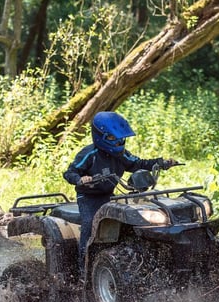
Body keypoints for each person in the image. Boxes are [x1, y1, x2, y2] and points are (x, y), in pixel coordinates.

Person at [63, 111, 178, 278]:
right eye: (112, 139)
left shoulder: (121, 154)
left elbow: (138, 163)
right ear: (100, 136)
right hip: (88, 198)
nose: (118, 142)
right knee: (89, 225)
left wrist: (161, 163)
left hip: (110, 196)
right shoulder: (89, 154)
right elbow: (69, 173)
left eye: (120, 139)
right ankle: (83, 268)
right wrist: (81, 179)